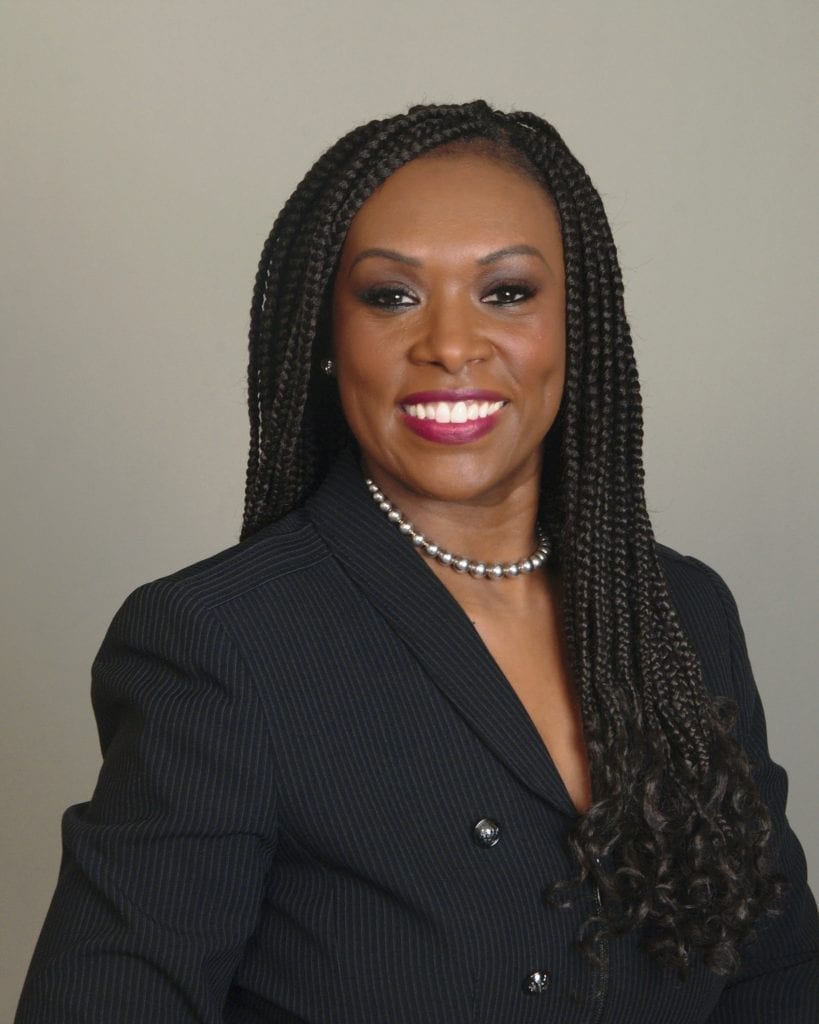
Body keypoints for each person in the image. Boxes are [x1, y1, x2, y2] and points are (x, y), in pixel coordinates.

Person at [15, 100, 817, 1023]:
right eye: (390, 295)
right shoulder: (220, 643)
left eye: (507, 292)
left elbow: (776, 970)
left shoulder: (683, 613)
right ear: (327, 336)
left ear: (578, 325)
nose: (447, 344)